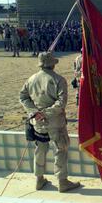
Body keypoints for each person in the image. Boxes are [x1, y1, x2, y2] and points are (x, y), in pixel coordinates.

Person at [19, 52, 81, 193]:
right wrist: (44, 113)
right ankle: (62, 181)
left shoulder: (31, 79)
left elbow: (23, 97)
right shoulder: (58, 79)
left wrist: (34, 112)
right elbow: (61, 103)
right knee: (60, 149)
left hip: (38, 122)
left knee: (40, 149)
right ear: (53, 64)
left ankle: (39, 179)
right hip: (55, 122)